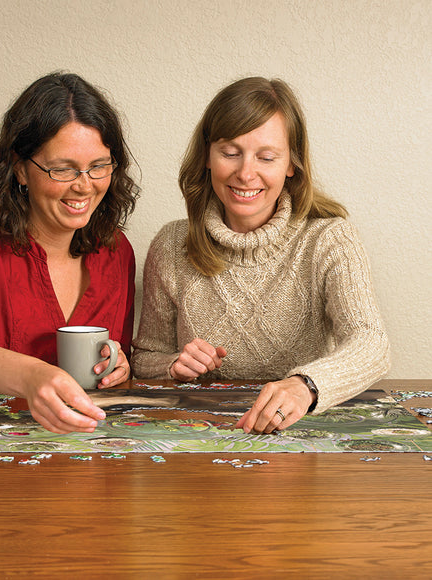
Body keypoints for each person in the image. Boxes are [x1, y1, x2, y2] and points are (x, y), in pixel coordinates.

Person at [132, 76, 390, 434]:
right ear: (208, 155)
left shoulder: (330, 238)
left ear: (291, 164)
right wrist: (175, 365)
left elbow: (371, 343)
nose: (245, 173)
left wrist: (305, 386)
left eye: (266, 157)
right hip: (200, 438)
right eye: (230, 153)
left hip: (302, 433)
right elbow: (144, 359)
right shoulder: (171, 244)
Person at [0, 72, 139, 434]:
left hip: (85, 454)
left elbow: (115, 358)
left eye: (98, 166)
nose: (84, 185)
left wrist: (120, 365)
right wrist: (33, 377)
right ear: (19, 168)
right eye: (61, 169)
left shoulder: (116, 251)